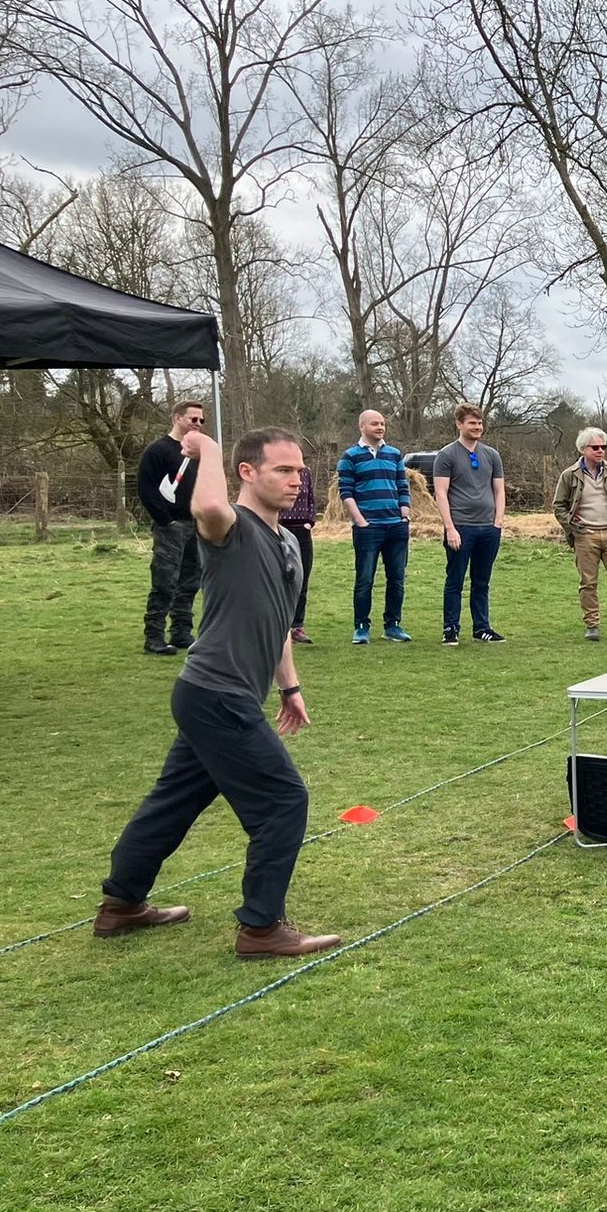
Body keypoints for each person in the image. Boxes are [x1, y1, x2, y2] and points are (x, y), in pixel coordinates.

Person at [96, 426, 342, 958]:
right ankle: (261, 928)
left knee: (173, 803)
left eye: (299, 470)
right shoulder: (229, 527)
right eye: (282, 469)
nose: (296, 480)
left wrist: (290, 686)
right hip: (216, 694)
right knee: (283, 799)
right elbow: (206, 503)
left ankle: (121, 904)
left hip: (220, 696)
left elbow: (275, 623)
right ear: (247, 473)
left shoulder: (288, 545)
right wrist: (205, 446)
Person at [552, 426, 607, 643]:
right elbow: (558, 506)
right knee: (588, 582)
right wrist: (573, 527)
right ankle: (592, 625)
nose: (600, 451)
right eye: (595, 447)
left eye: (603, 447)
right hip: (585, 537)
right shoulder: (569, 475)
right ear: (583, 449)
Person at [432, 403, 507, 645]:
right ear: (459, 424)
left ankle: (482, 627)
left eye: (480, 423)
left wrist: (498, 521)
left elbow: (499, 489)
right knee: (455, 580)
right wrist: (450, 528)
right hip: (461, 527)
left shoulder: (492, 455)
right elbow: (441, 493)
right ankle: (450, 629)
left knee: (481, 581)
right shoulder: (446, 455)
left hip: (488, 528)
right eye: (472, 423)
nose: (477, 427)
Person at [135, 400, 206, 655]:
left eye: (201, 420)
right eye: (193, 419)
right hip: (171, 526)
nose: (198, 424)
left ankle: (181, 632)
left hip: (197, 525)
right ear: (177, 418)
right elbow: (146, 488)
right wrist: (166, 520)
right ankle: (154, 635)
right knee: (165, 580)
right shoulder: (158, 451)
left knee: (190, 581)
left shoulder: (198, 454)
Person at [336, 408, 412, 644]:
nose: (380, 427)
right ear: (362, 427)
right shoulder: (350, 457)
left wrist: (404, 514)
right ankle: (361, 627)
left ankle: (393, 625)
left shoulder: (394, 454)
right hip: (368, 528)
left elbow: (402, 486)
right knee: (365, 579)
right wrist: (360, 520)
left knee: (397, 579)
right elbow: (345, 492)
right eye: (374, 424)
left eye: (382, 424)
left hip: (396, 526)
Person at [282, 461, 317, 644]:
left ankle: (297, 626)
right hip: (280, 529)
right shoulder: (277, 471)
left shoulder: (306, 472)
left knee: (301, 580)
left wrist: (310, 521)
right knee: (278, 580)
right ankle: (280, 626)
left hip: (303, 531)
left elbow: (311, 499)